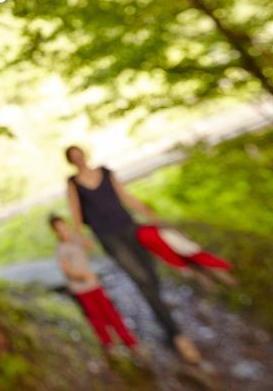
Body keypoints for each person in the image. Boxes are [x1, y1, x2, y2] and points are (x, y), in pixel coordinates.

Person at [64, 145, 202, 364]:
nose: (78, 159)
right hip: (107, 236)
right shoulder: (73, 183)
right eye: (73, 157)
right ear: (70, 161)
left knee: (151, 274)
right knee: (141, 279)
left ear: (84, 155)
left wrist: (147, 213)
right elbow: (76, 211)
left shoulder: (106, 172)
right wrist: (80, 237)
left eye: (79, 154)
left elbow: (124, 196)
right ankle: (177, 335)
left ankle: (164, 320)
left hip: (130, 228)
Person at [50, 214, 139, 354]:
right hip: (80, 288)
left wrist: (78, 234)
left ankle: (129, 340)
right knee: (96, 317)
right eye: (60, 229)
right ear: (55, 232)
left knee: (110, 312)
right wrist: (82, 275)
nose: (65, 230)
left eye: (65, 226)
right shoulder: (61, 249)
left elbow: (89, 246)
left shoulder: (75, 240)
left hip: (93, 284)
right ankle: (108, 343)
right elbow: (66, 270)